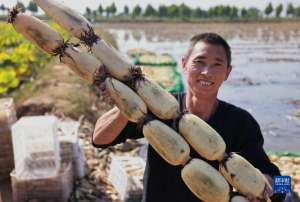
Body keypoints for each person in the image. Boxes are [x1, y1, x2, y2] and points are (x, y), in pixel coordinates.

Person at [92, 33, 286, 202]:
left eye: (217, 65)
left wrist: (265, 185)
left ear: (228, 72)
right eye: (199, 62)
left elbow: (283, 184)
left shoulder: (240, 122)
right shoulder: (157, 108)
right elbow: (99, 140)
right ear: (184, 65)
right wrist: (126, 102)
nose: (206, 72)